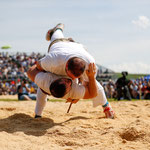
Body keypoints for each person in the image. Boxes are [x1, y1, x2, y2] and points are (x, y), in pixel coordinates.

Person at [36, 23, 115, 118]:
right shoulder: (52, 60)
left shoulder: (90, 64)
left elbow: (92, 87)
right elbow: (38, 66)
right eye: (72, 75)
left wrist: (78, 96)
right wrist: (43, 76)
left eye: (76, 77)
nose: (72, 78)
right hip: (59, 44)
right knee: (43, 86)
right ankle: (57, 30)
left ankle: (107, 107)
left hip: (77, 47)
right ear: (67, 67)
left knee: (93, 82)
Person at [27, 63, 98, 118]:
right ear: (68, 91)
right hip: (70, 75)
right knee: (41, 93)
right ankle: (38, 113)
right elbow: (93, 93)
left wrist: (41, 65)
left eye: (66, 81)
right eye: (69, 83)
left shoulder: (44, 80)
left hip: (47, 82)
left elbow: (30, 71)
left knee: (41, 90)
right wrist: (91, 77)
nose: (69, 82)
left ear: (57, 79)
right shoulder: (74, 91)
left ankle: (37, 114)